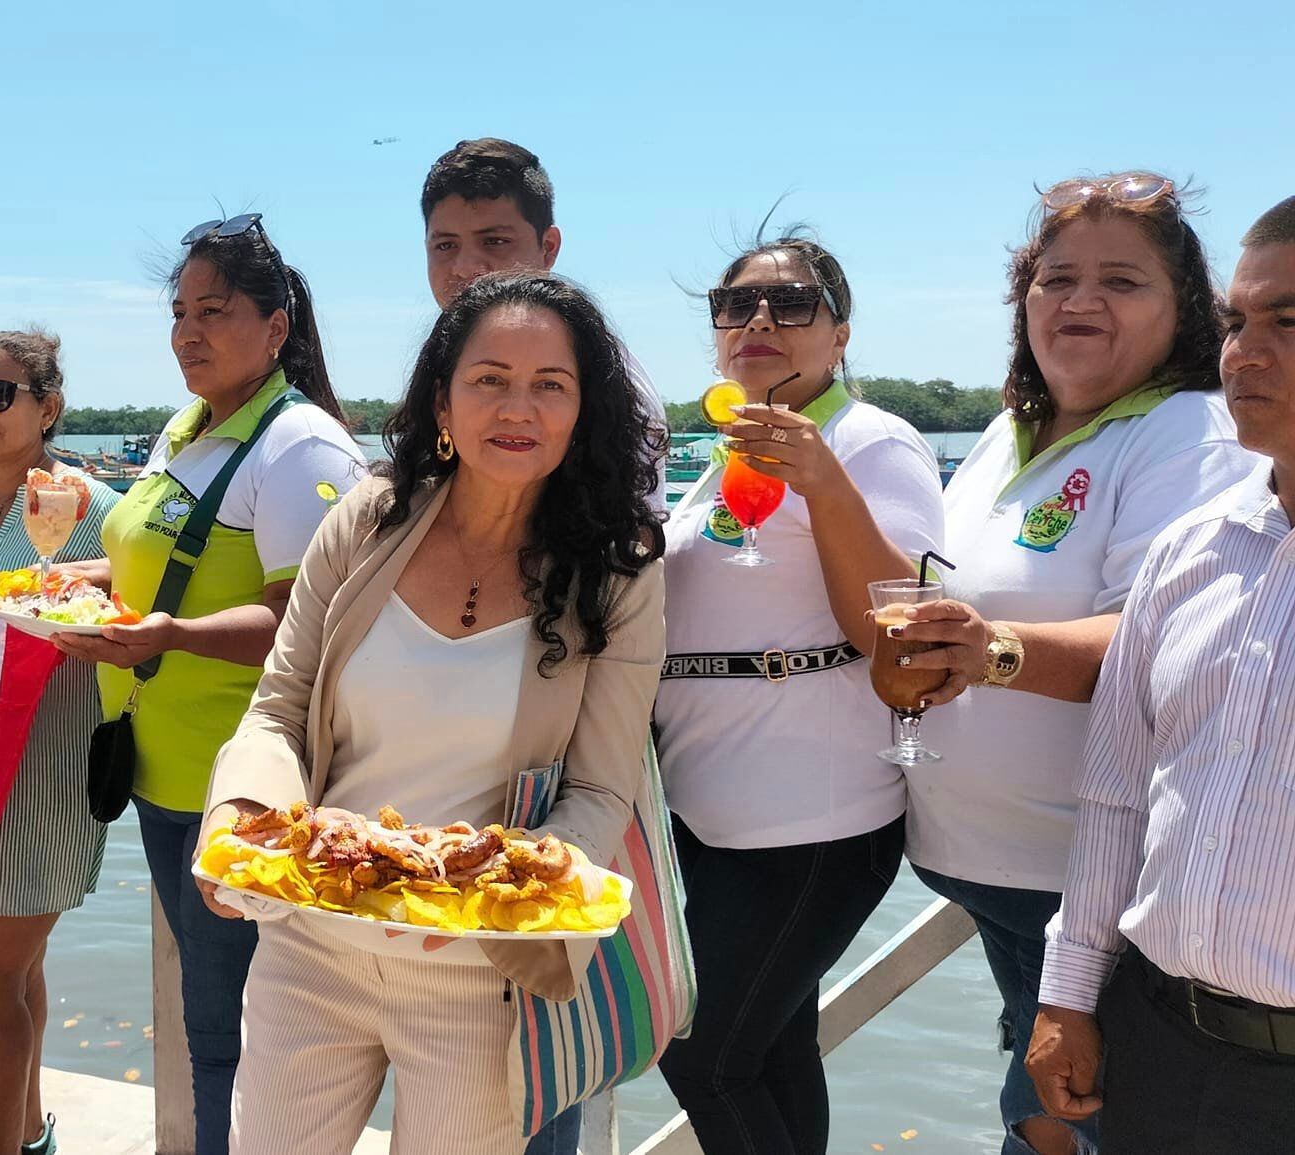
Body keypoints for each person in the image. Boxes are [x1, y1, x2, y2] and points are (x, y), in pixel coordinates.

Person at [197, 272, 664, 1152]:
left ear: (581, 411)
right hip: (311, 942)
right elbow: (280, 706)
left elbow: (604, 789)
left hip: (482, 978)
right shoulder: (368, 519)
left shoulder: (619, 571)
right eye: (489, 378)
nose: (516, 406)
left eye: (549, 384)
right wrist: (240, 819)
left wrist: (499, 901)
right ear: (443, 400)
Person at [890, 173, 1255, 1155]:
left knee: (1066, 1123)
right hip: (984, 874)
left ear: (1182, 308)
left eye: (1119, 281)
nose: (1078, 301)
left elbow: (1160, 638)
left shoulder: (1186, 431)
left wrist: (989, 652)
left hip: (1086, 890)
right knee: (1044, 1100)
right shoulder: (1006, 436)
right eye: (1054, 279)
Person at [51, 215, 366, 1155]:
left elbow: (312, 626)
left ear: (276, 328)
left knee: (242, 1036)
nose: (188, 332)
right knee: (208, 1023)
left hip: (249, 789)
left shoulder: (300, 445)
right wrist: (86, 584)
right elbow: (159, 563)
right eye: (179, 313)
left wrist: (171, 634)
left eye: (214, 312)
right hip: (162, 771)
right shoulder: (190, 429)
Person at [650, 235, 945, 1154]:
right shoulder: (722, 455)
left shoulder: (870, 442)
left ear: (841, 332)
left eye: (792, 303)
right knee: (773, 1052)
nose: (759, 322)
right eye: (735, 305)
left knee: (698, 1055)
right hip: (709, 812)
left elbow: (899, 625)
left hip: (811, 819)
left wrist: (820, 477)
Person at [1025, 195, 1295, 1153]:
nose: (1245, 353)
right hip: (1163, 1046)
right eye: (1236, 321)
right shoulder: (1189, 555)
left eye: (1288, 322)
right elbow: (1116, 798)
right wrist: (1065, 995)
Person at [0, 330, 116, 1155]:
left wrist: (87, 585)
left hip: (45, 776)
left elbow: (140, 609)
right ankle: (29, 1132)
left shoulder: (92, 509)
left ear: (49, 406)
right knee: (14, 972)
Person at [420, 137, 669, 515]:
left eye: (495, 241)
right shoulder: (439, 362)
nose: (466, 266)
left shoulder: (606, 377)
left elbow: (632, 538)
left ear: (549, 247)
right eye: (445, 246)